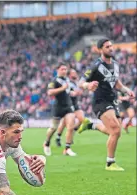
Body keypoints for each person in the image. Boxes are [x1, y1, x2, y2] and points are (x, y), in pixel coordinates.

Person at [77, 38, 135, 171]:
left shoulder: (115, 64)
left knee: (115, 132)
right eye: (107, 46)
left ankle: (91, 125)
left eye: (111, 46)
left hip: (113, 100)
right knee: (115, 130)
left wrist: (127, 90)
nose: (111, 48)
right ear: (100, 49)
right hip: (100, 101)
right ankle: (110, 163)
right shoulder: (95, 66)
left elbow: (116, 83)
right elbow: (81, 81)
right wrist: (88, 85)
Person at [43, 63, 77, 157]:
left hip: (68, 106)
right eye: (62, 69)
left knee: (71, 126)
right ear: (57, 70)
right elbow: (50, 92)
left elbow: (67, 91)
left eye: (65, 69)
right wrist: (62, 88)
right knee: (53, 128)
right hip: (58, 107)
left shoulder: (67, 80)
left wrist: (72, 92)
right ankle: (47, 142)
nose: (64, 71)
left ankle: (67, 148)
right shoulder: (54, 81)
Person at [56, 69, 84, 147]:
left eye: (75, 72)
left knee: (82, 119)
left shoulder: (76, 82)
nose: (75, 73)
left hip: (75, 104)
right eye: (73, 73)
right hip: (68, 104)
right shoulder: (68, 82)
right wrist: (75, 93)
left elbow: (80, 91)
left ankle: (71, 135)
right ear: (70, 75)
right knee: (65, 122)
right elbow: (69, 93)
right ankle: (58, 136)